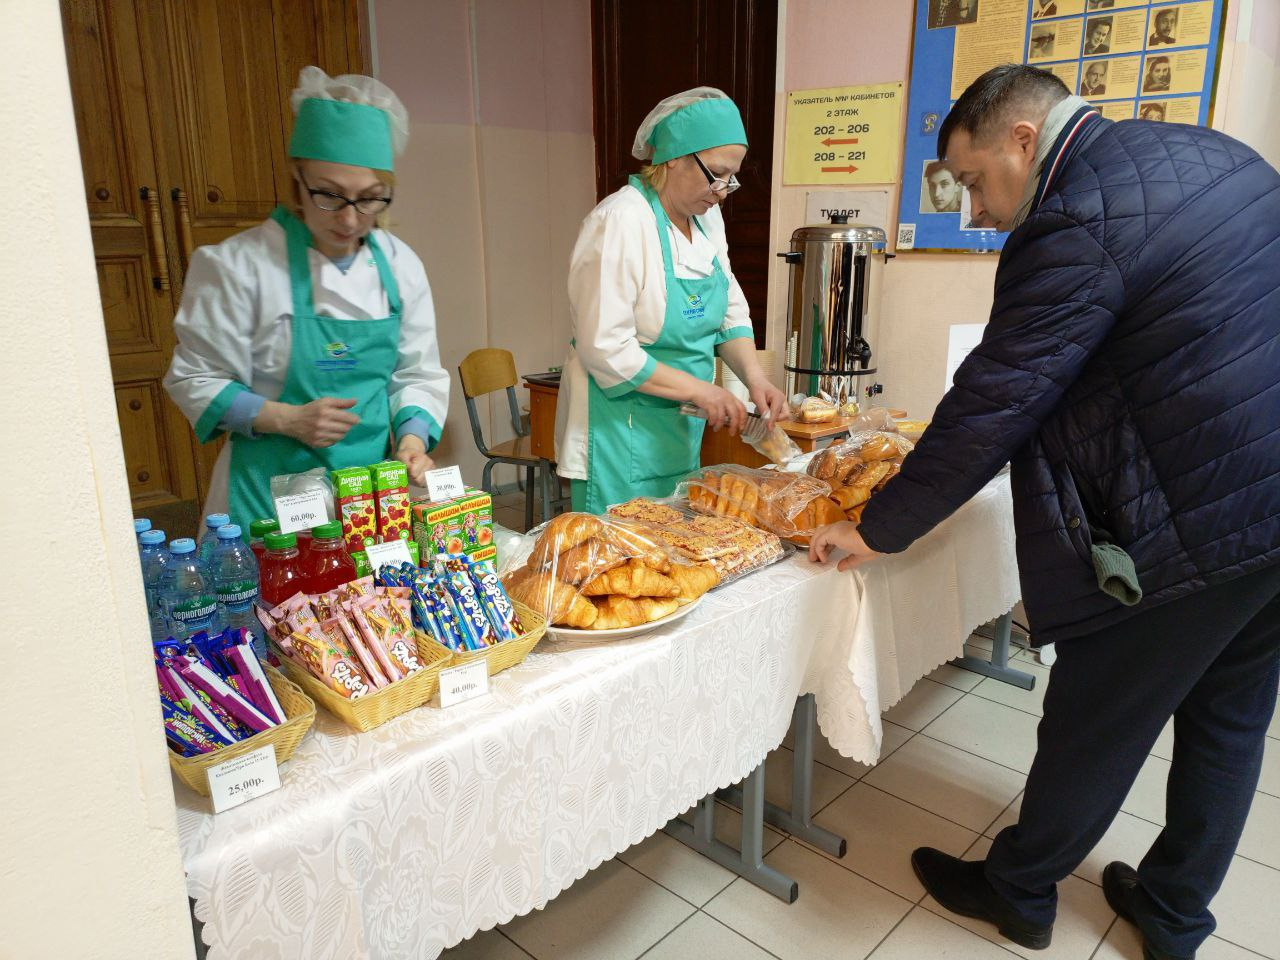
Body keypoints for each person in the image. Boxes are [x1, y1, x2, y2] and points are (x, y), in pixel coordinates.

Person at [810, 64, 1280, 960]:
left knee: (1096, 714)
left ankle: (1020, 891)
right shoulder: (1214, 154)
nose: (975, 212)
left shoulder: (1075, 215)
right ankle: (1177, 913)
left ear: (1024, 141)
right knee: (1230, 717)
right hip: (1269, 509)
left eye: (976, 182)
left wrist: (878, 527)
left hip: (1193, 521)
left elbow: (994, 399)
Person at [165, 67, 448, 530]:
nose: (352, 220)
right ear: (297, 178)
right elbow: (196, 378)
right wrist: (287, 418)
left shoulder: (399, 266)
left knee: (366, 603)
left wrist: (412, 443)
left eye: (372, 199)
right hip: (269, 498)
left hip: (369, 497)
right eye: (330, 196)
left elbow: (416, 371)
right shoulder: (239, 266)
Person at [555, 88, 786, 514]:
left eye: (731, 178)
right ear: (674, 158)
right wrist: (702, 390)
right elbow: (605, 348)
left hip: (678, 428)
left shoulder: (707, 219)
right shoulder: (620, 222)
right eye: (715, 173)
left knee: (672, 548)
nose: (723, 191)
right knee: (617, 563)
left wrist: (755, 378)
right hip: (618, 434)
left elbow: (729, 309)